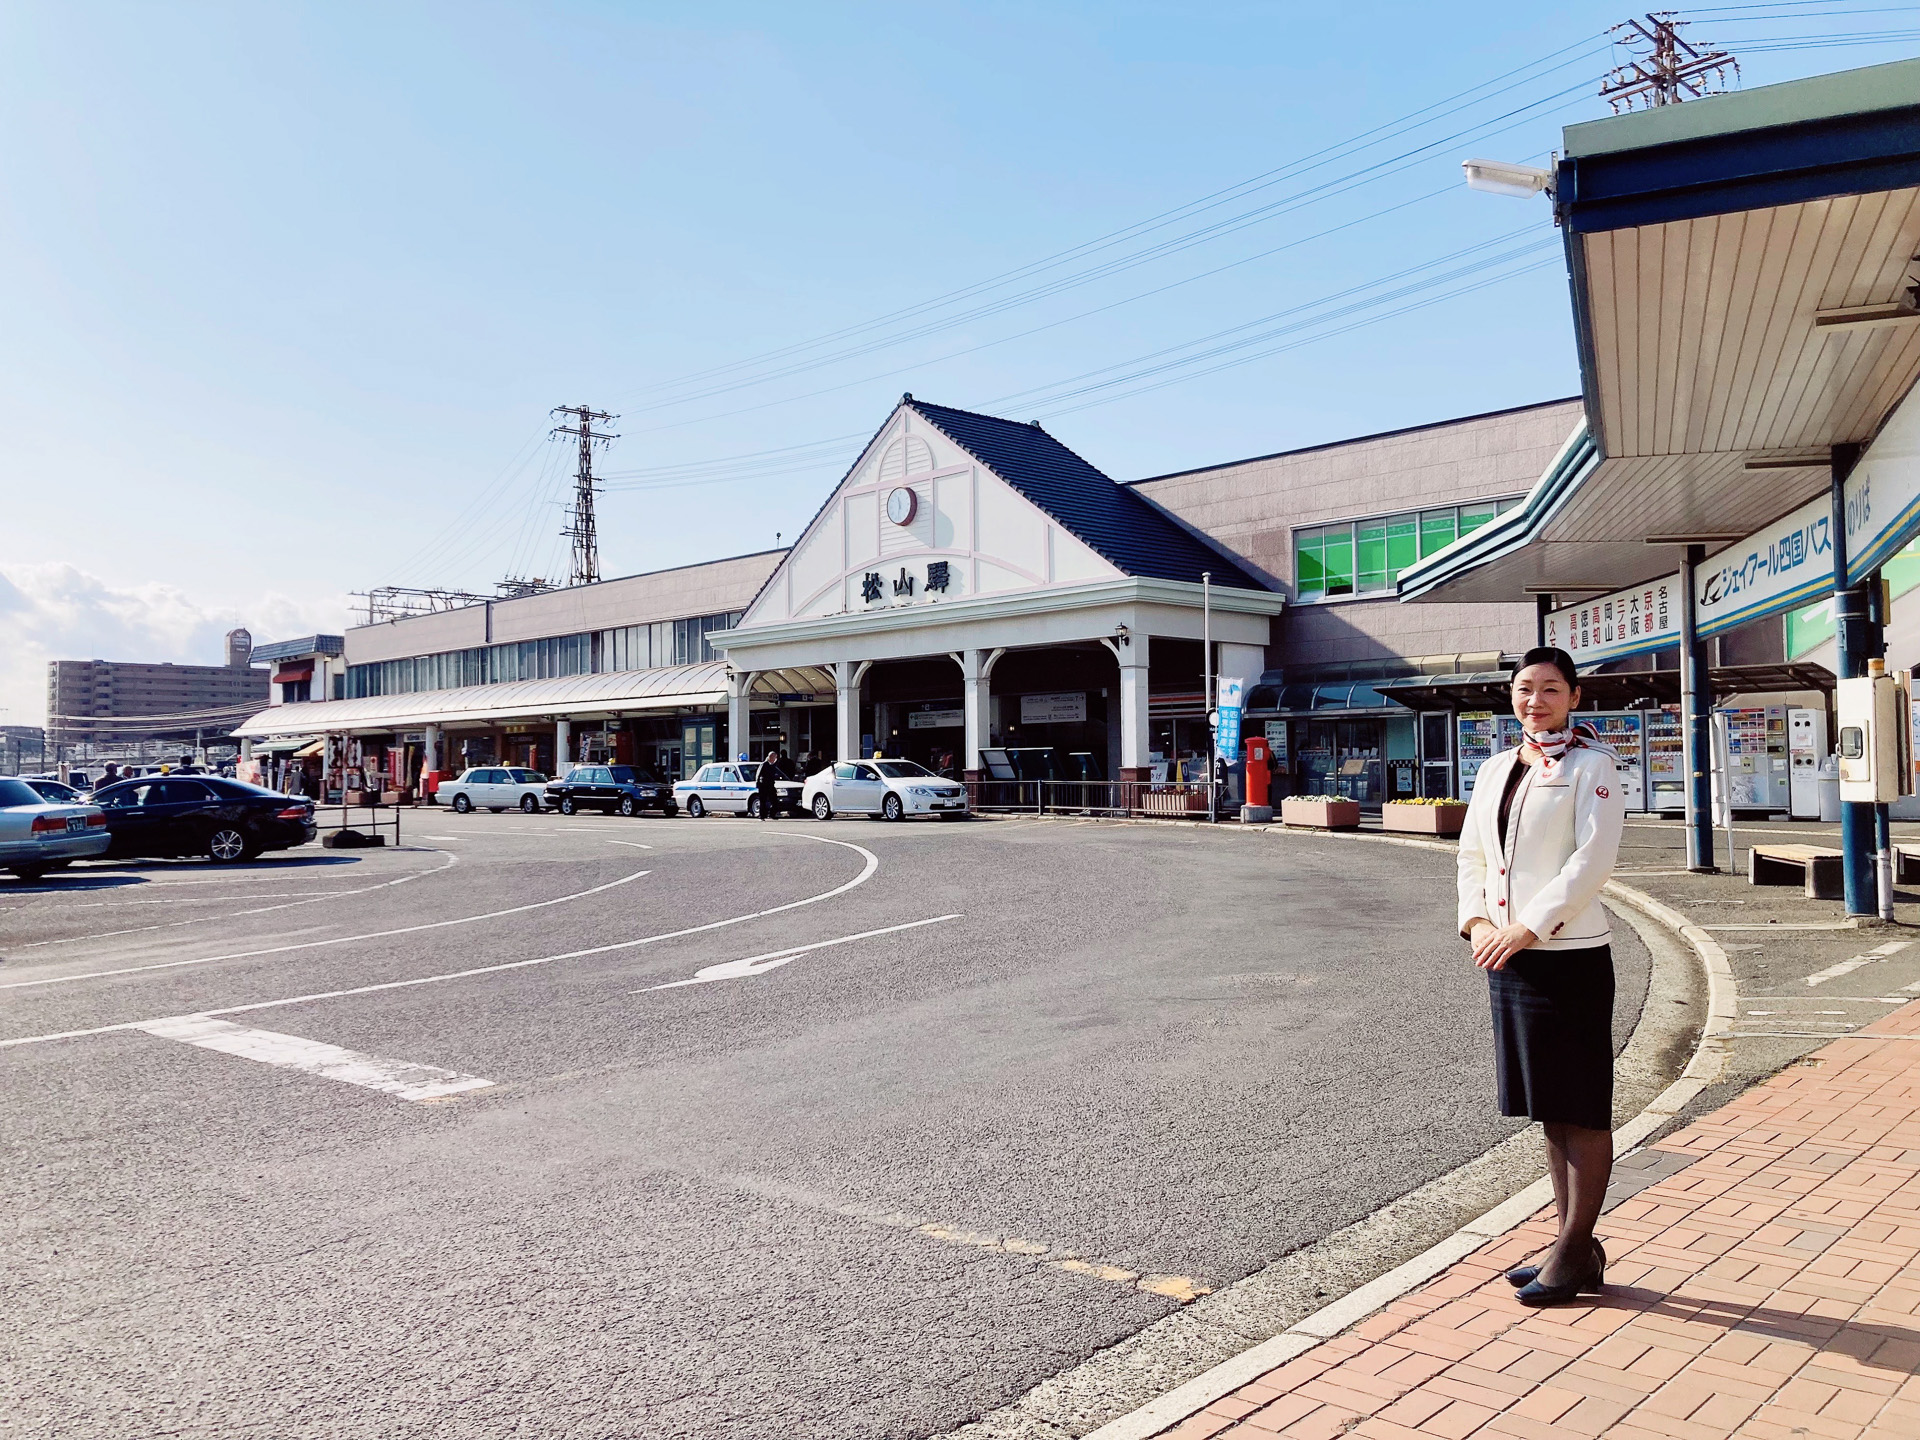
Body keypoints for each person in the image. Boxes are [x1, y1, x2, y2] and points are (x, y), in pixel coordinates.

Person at [1456, 646, 1626, 1307]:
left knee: (1582, 1105)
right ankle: (1571, 1245)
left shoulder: (1592, 766)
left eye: (1551, 689)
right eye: (1525, 689)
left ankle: (1574, 1247)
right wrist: (1476, 922)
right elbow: (1473, 853)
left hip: (1569, 954)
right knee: (1550, 1107)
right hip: (1505, 954)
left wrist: (1529, 926)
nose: (1536, 700)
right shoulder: (1497, 767)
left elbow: (1592, 861)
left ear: (1574, 697)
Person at [755, 749, 781, 820]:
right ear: (770, 757)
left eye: (775, 758)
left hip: (771, 785)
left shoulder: (774, 765)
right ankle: (762, 816)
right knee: (763, 801)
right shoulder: (764, 764)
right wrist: (757, 783)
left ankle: (772, 814)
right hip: (763, 785)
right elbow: (758, 774)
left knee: (774, 800)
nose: (774, 759)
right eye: (773, 757)